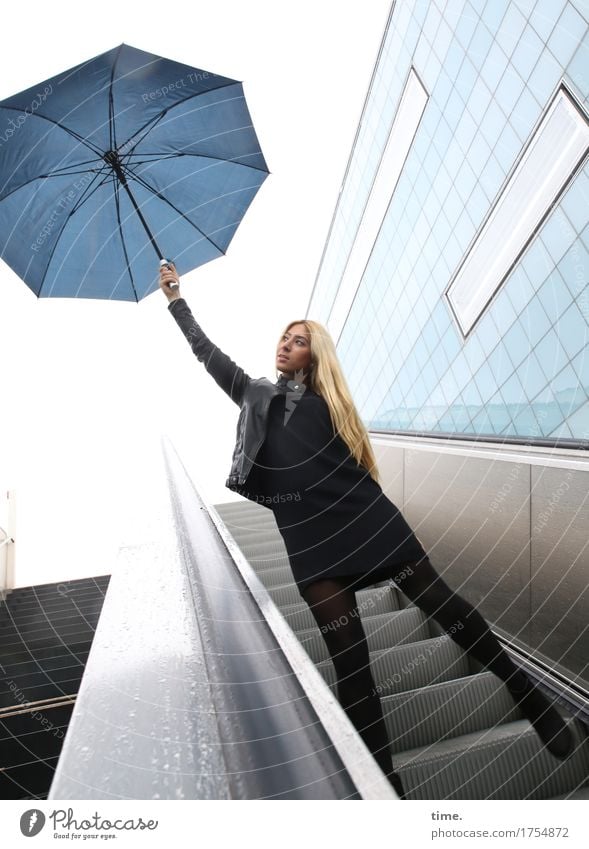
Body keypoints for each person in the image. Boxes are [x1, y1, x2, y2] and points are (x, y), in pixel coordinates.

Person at [159, 262, 575, 798]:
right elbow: (206, 352)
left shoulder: (329, 402)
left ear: (316, 354)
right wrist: (176, 301)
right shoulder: (255, 394)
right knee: (349, 663)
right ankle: (385, 786)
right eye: (283, 338)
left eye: (299, 340)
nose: (285, 345)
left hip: (364, 517)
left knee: (446, 608)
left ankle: (529, 696)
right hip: (309, 541)